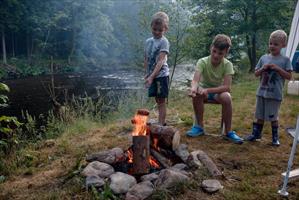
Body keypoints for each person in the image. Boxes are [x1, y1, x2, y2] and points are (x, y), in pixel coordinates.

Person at [186, 34, 243, 144]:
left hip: (218, 92)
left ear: (226, 53)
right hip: (203, 91)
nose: (216, 55)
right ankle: (199, 126)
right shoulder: (202, 61)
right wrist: (194, 89)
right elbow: (196, 80)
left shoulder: (228, 65)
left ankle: (228, 131)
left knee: (227, 97)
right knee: (198, 93)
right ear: (211, 48)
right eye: (214, 51)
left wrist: (208, 90)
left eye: (220, 53)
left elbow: (227, 87)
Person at [245, 30, 292, 146]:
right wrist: (262, 69)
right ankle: (256, 134)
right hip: (262, 92)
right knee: (259, 115)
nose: (272, 46)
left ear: (283, 45)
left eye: (276, 44)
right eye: (270, 43)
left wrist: (277, 69)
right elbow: (256, 74)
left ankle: (275, 138)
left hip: (275, 94)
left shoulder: (285, 60)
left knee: (273, 116)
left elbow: (289, 76)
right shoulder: (263, 58)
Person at [144, 12, 170, 126]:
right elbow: (146, 58)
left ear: (165, 29)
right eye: (154, 29)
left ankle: (161, 124)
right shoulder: (148, 41)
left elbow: (160, 61)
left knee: (161, 100)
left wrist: (152, 77)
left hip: (161, 75)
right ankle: (160, 121)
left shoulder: (164, 42)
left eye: (160, 30)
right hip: (151, 75)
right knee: (156, 99)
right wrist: (147, 74)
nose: (157, 32)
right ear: (151, 26)